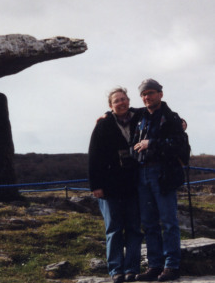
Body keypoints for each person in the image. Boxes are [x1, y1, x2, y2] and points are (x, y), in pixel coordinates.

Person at [132, 79, 186, 282]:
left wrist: (151, 143)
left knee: (169, 222)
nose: (147, 97)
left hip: (163, 174)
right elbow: (131, 141)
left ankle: (172, 266)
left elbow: (179, 144)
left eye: (151, 93)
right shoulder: (139, 117)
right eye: (144, 94)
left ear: (160, 94)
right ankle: (155, 266)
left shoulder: (171, 118)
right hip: (142, 173)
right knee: (149, 223)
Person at [88, 87, 143, 283]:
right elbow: (94, 156)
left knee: (134, 229)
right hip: (109, 186)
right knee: (113, 229)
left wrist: (181, 122)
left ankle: (132, 269)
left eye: (124, 99)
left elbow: (161, 112)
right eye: (116, 101)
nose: (121, 103)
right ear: (111, 106)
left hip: (133, 185)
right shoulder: (103, 125)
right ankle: (116, 270)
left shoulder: (139, 116)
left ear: (129, 100)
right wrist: (96, 185)